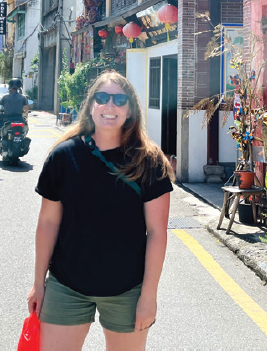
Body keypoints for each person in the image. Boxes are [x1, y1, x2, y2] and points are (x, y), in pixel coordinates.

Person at [27, 70, 173, 351]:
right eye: (102, 98)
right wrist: (38, 283)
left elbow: (156, 233)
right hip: (66, 285)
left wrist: (148, 295)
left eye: (120, 100)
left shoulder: (148, 160)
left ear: (130, 110)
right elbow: (47, 224)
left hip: (127, 289)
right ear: (91, 105)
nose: (110, 106)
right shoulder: (63, 156)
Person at [0, 78, 30, 142]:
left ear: (10, 86)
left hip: (7, 120)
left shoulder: (5, 97)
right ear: (19, 87)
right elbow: (26, 110)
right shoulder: (23, 97)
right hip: (19, 119)